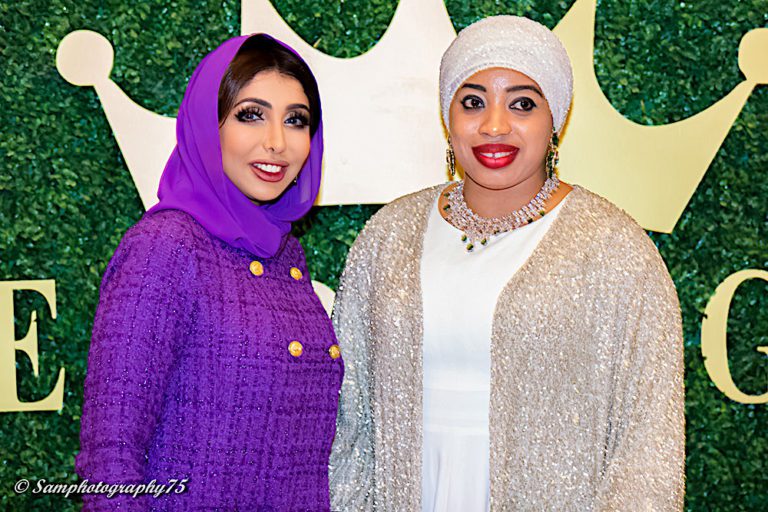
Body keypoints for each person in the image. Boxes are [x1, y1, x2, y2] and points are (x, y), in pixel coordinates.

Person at [329, 15, 684, 511]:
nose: (494, 125)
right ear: (447, 117)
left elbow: (648, 444)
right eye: (472, 102)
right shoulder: (389, 236)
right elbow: (349, 416)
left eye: (522, 104)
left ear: (555, 120)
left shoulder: (613, 249)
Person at [76, 33, 343, 511]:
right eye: (251, 115)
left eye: (296, 121)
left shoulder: (288, 257)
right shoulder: (166, 246)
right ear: (206, 124)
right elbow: (109, 459)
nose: (277, 142)